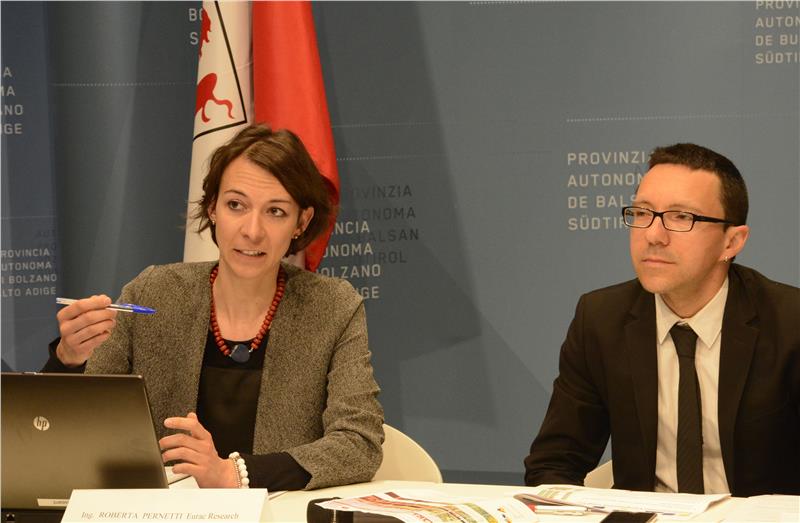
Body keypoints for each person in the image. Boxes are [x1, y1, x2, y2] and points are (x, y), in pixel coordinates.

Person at [44, 124, 385, 490]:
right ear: (213, 208)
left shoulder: (332, 307)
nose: (252, 231)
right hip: (164, 513)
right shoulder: (153, 292)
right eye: (236, 205)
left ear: (301, 222)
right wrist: (68, 361)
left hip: (277, 513)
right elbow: (71, 427)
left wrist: (233, 474)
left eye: (275, 211)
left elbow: (359, 443)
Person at [524, 143, 800, 497]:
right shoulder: (601, 320)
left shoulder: (789, 323)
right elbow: (554, 463)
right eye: (642, 213)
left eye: (682, 217)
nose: (653, 235)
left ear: (732, 242)